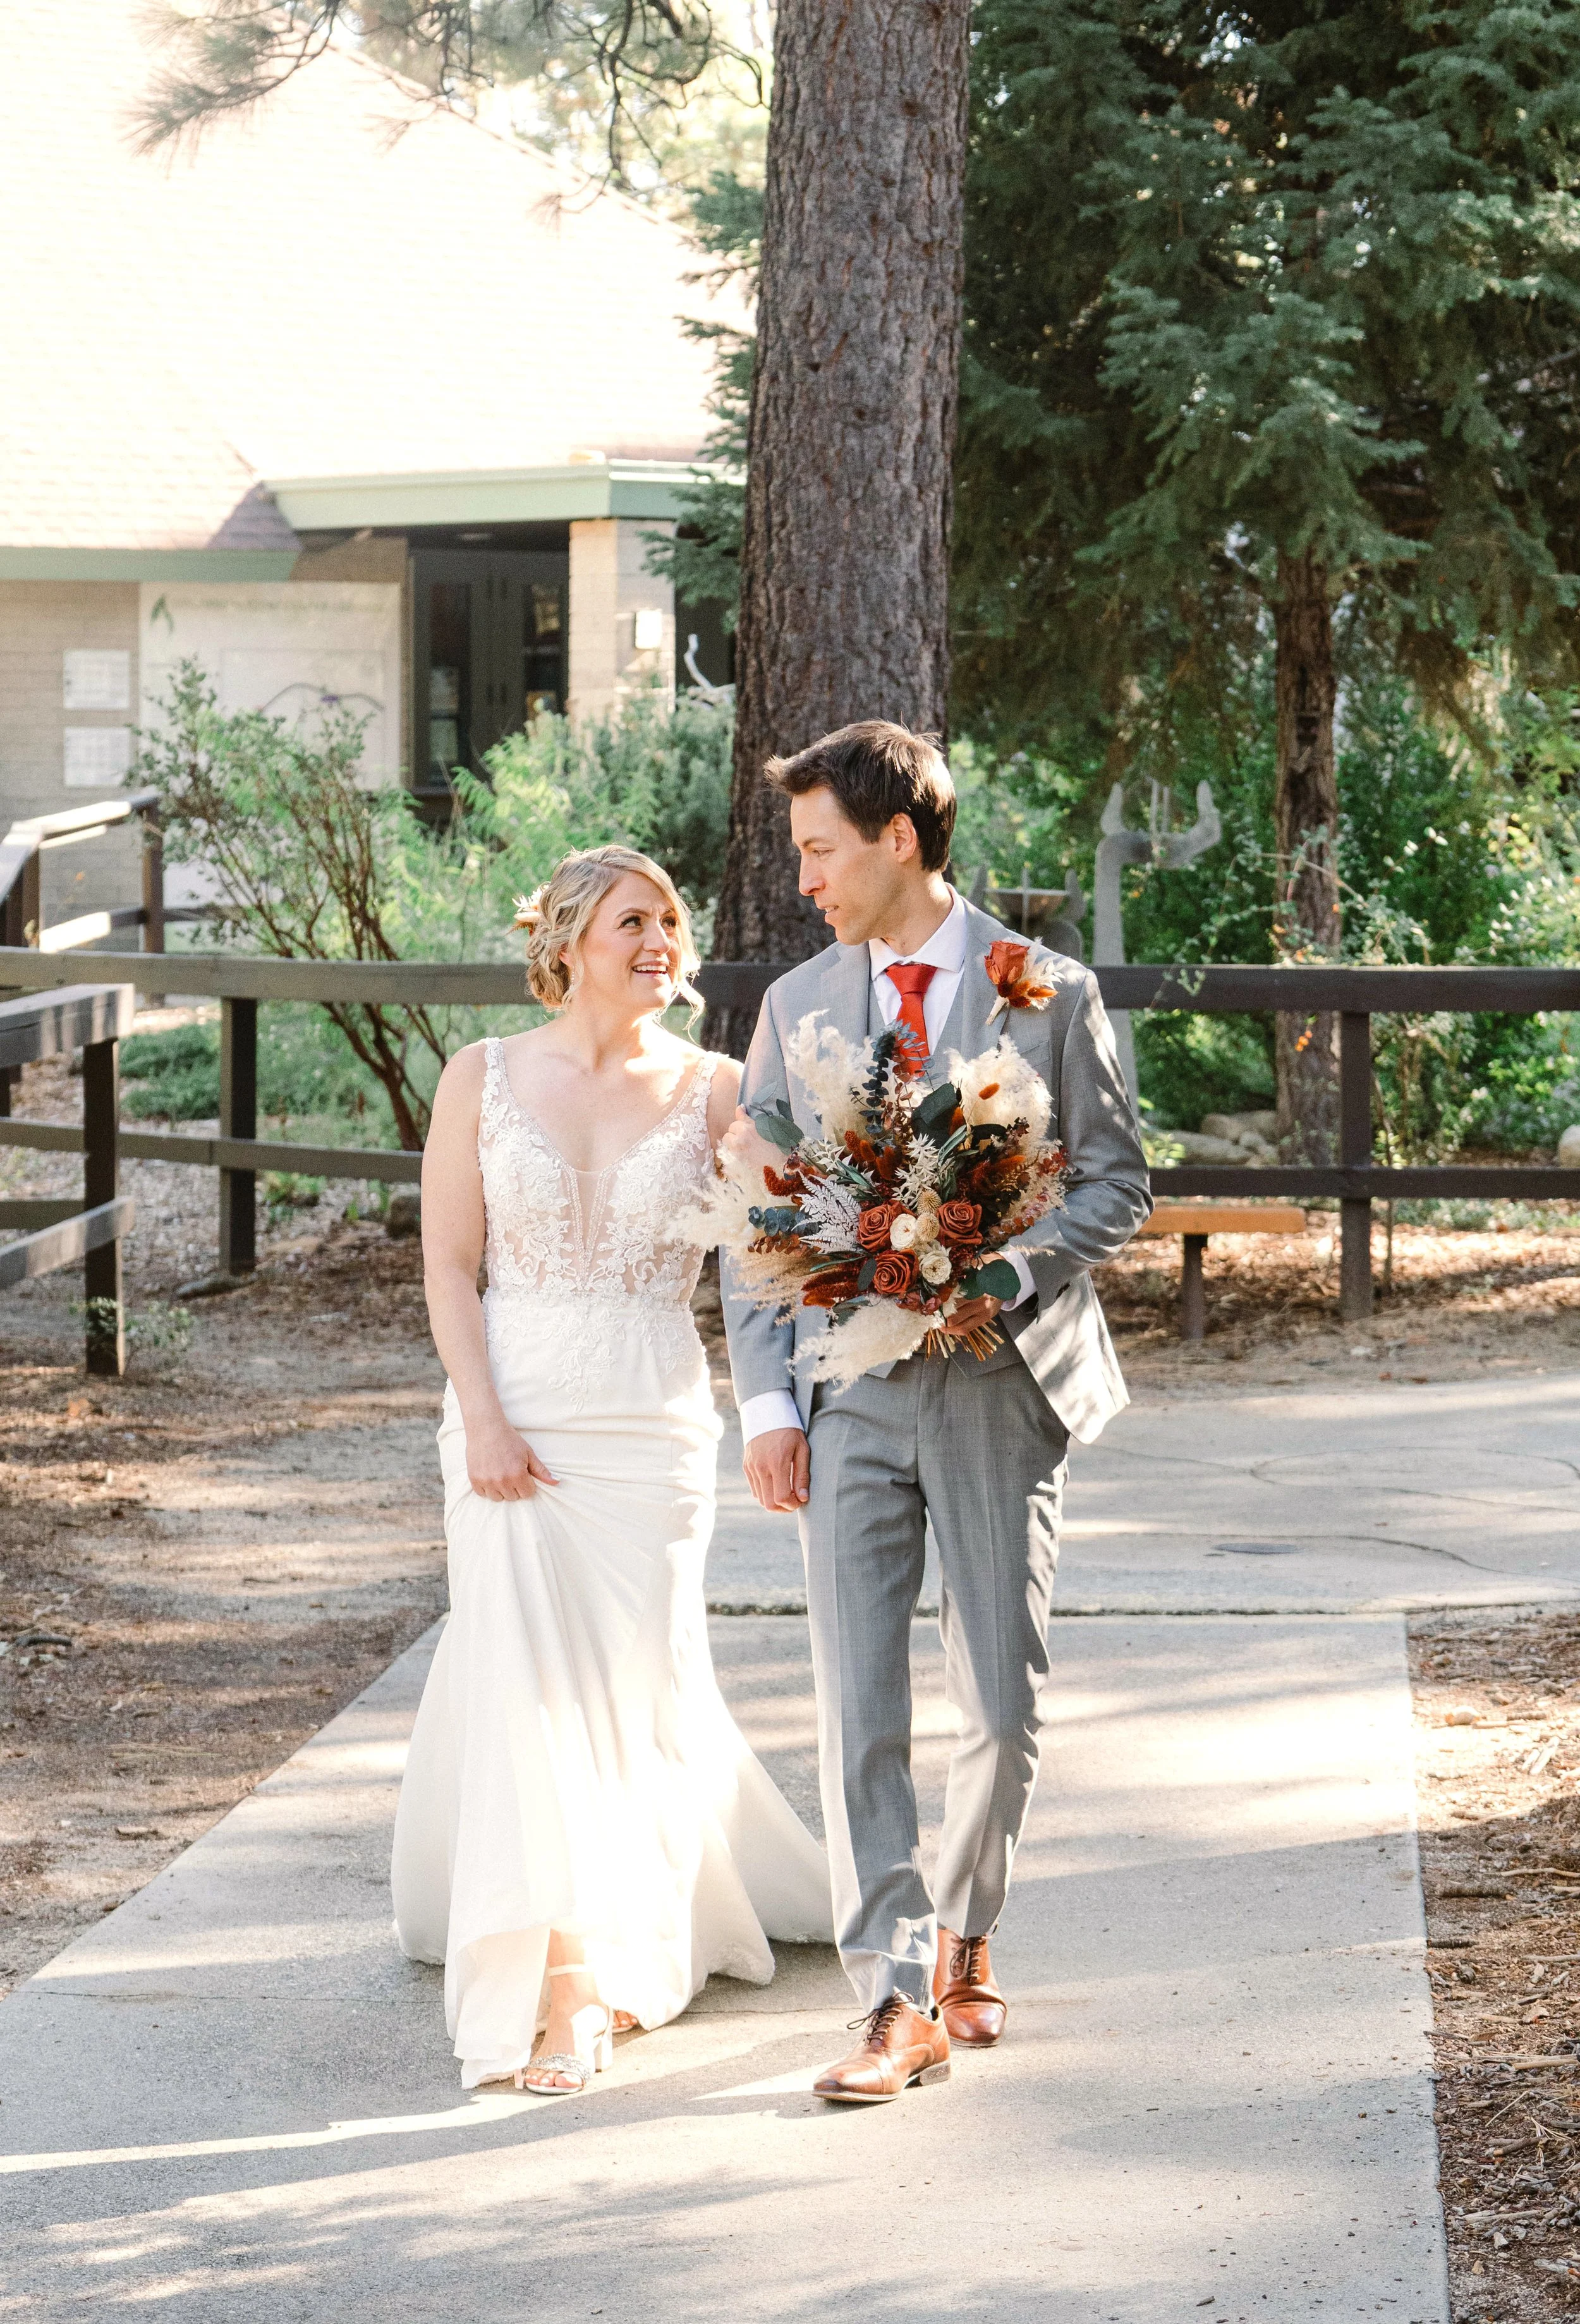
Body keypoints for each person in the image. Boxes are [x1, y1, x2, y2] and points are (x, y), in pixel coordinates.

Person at [721, 722, 1151, 2103]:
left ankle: (968, 1927)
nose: (806, 880)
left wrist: (1003, 1266)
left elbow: (1115, 1180)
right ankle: (892, 1996)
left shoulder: (1046, 987)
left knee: (1001, 1704)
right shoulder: (794, 1000)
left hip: (998, 1377)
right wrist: (764, 1402)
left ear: (896, 837)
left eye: (819, 849)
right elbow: (755, 1215)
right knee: (855, 1700)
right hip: (848, 1391)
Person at [393, 844, 832, 2094]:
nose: (660, 941)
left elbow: (779, 1245)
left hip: (648, 1427)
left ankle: (605, 1943)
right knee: (524, 1681)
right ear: (572, 939)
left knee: (626, 1690)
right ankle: (571, 1976)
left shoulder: (714, 1088)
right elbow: (445, 1267)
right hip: (510, 1408)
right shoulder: (477, 1076)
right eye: (634, 920)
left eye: (671, 923)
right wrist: (480, 1413)